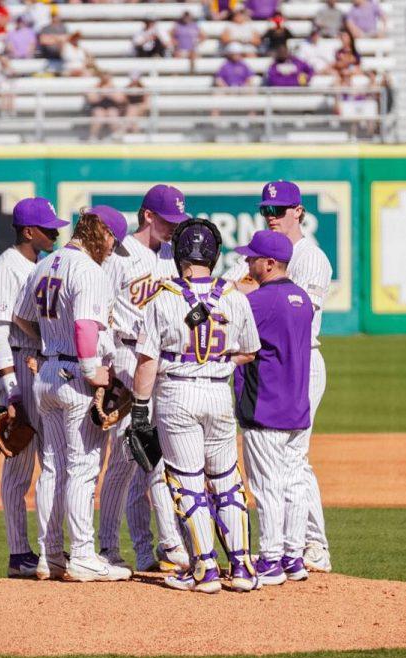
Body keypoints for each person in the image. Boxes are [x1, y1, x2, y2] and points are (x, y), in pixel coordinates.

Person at [130, 218, 261, 594]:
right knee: (227, 482)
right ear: (215, 255)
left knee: (188, 483)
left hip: (177, 394)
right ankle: (242, 568)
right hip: (220, 393)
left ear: (179, 255)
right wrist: (218, 363)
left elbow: (148, 361)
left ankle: (204, 570)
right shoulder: (234, 296)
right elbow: (250, 351)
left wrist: (140, 409)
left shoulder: (164, 297)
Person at [11, 206, 133, 583]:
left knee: (52, 466)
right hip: (76, 378)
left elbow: (20, 317)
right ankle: (81, 554)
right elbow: (84, 326)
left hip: (47, 373)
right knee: (83, 468)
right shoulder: (89, 271)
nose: (113, 250)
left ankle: (51, 556)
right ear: (105, 234)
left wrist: (48, 346)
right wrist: (90, 370)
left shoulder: (45, 266)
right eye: (114, 241)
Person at [97, 186, 191, 574]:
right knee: (135, 456)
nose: (174, 228)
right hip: (126, 353)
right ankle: (115, 547)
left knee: (143, 461)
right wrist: (106, 372)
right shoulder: (118, 257)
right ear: (148, 216)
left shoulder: (172, 255)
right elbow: (98, 312)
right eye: (169, 220)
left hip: (164, 360)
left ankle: (142, 554)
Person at [0, 197, 69, 579]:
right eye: (49, 229)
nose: (56, 233)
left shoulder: (38, 265)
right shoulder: (6, 269)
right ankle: (19, 553)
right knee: (19, 464)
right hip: (16, 363)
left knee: (52, 459)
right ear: (28, 232)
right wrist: (12, 391)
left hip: (37, 361)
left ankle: (49, 548)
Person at [231, 229, 314, 586]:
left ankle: (269, 559)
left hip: (266, 406)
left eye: (252, 258)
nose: (248, 263)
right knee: (294, 483)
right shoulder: (302, 297)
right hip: (297, 407)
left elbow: (232, 337)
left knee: (266, 486)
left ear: (269, 263)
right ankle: (293, 557)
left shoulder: (260, 302)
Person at [85, 72, 126, 139]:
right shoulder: (95, 87)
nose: (105, 80)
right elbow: (91, 99)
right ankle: (93, 136)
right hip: (98, 107)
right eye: (104, 78)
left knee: (112, 113)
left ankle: (116, 135)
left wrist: (110, 94)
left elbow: (121, 99)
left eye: (107, 78)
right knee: (99, 114)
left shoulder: (114, 87)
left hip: (111, 107)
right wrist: (101, 94)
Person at [37, 7, 69, 72]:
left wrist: (52, 38)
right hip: (49, 54)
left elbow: (66, 39)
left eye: (56, 15)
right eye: (53, 16)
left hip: (60, 53)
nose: (55, 18)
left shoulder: (63, 28)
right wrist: (58, 39)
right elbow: (43, 40)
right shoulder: (46, 28)